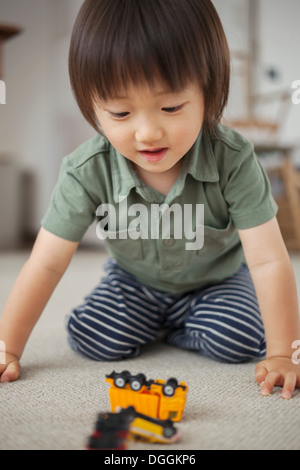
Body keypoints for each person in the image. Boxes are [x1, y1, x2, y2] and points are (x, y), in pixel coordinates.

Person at [0, 0, 299, 400]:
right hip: (134, 281)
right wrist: (7, 346)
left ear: (209, 92)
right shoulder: (85, 168)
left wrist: (284, 353)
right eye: (121, 113)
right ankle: (165, 320)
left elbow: (267, 259)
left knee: (242, 339)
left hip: (216, 280)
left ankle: (175, 323)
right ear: (93, 107)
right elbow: (47, 261)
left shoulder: (234, 158)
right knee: (91, 338)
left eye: (171, 107)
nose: (147, 133)